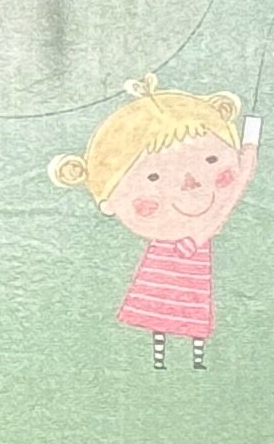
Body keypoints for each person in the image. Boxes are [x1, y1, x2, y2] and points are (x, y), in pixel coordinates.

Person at [49, 77, 254, 371]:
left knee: (195, 314)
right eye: (154, 177)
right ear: (109, 201)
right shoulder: (183, 241)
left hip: (196, 274)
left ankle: (195, 359)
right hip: (165, 273)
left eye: (210, 159)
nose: (190, 183)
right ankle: (161, 360)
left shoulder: (204, 231)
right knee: (159, 316)